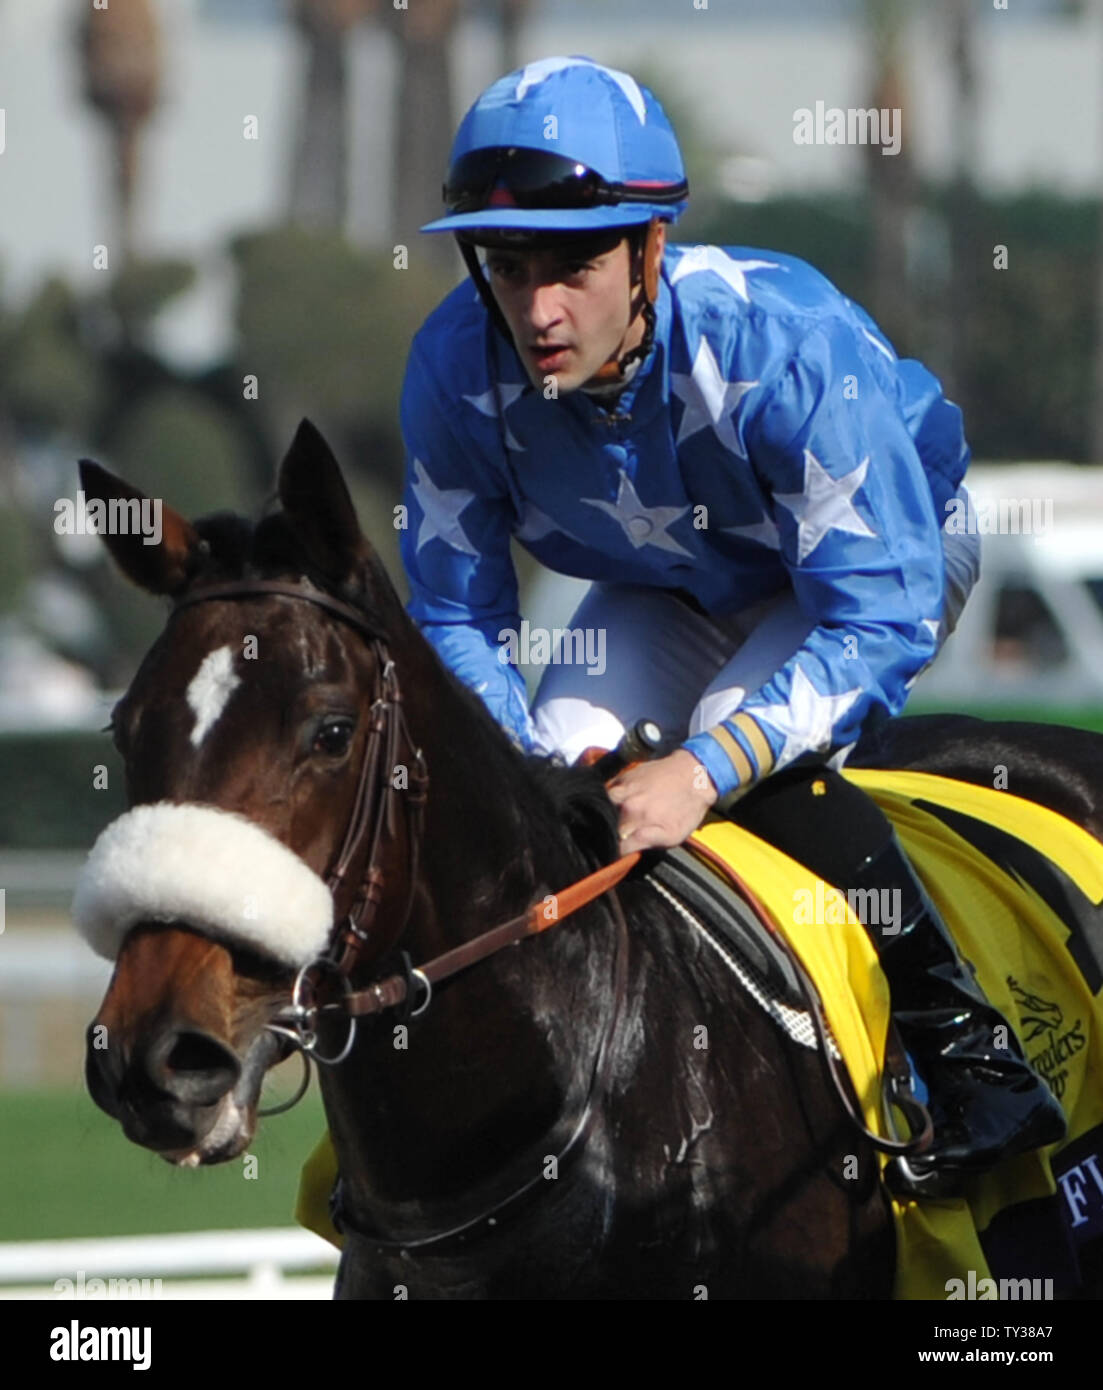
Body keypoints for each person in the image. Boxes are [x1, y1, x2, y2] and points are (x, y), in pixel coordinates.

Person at [397, 55, 1065, 1193]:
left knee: (725, 745)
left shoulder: (777, 342)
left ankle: (973, 1053)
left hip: (874, 568)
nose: (538, 310)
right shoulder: (453, 367)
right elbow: (456, 611)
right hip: (669, 579)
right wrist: (512, 767)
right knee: (551, 786)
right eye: (507, 269)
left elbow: (872, 617)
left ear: (649, 249)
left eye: (575, 265)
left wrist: (705, 770)